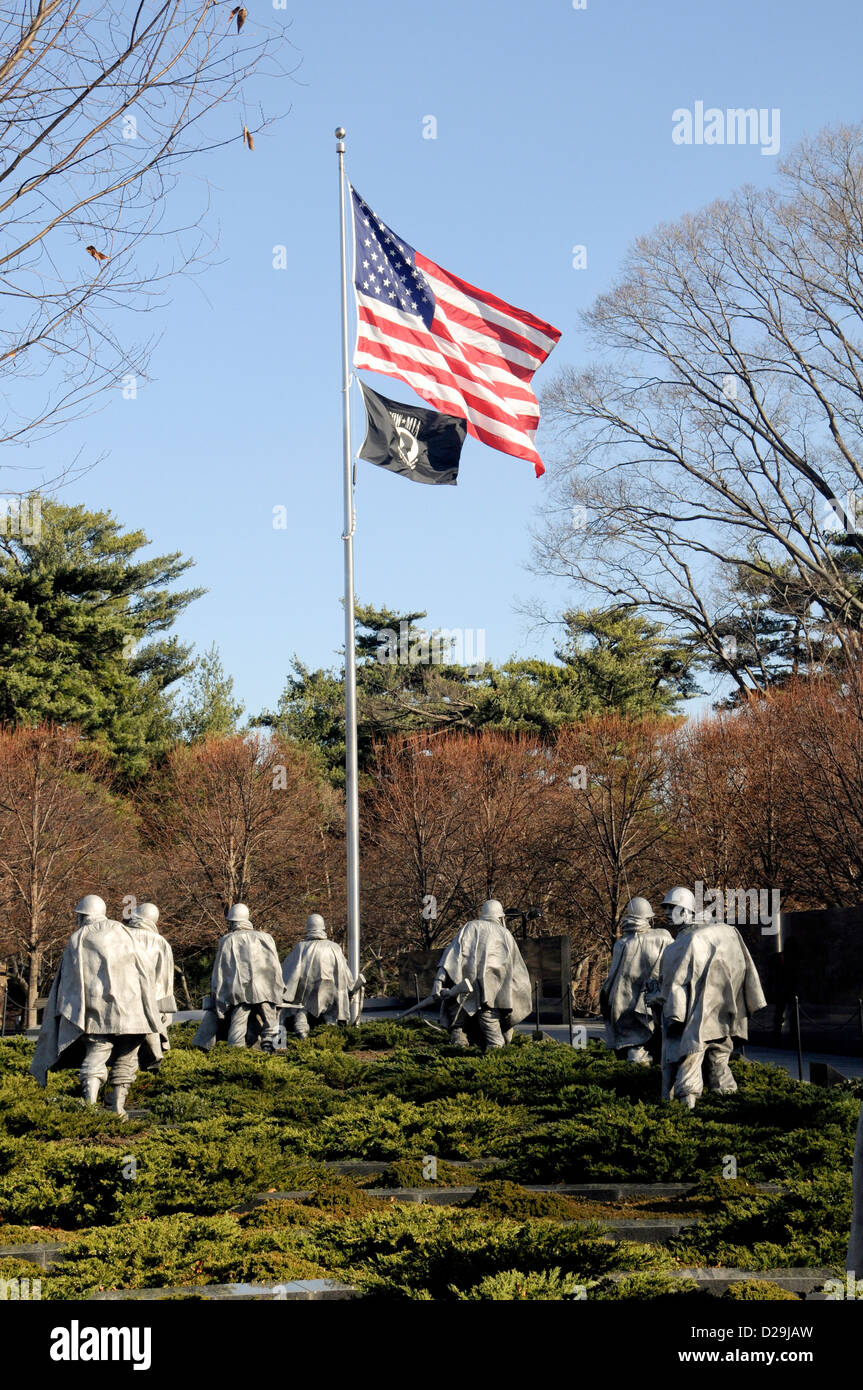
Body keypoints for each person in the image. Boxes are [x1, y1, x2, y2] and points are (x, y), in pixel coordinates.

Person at [31, 895, 174, 1116]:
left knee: (96, 1053)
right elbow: (146, 971)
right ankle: (117, 1107)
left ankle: (89, 1106)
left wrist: (65, 1010)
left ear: (85, 916)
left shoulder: (80, 937)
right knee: (127, 1058)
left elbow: (70, 980)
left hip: (98, 1012)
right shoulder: (126, 931)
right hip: (134, 1012)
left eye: (79, 916)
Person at [658, 899, 767, 1108]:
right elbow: (745, 969)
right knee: (719, 1063)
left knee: (689, 1064)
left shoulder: (681, 944)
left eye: (672, 908)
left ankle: (685, 1116)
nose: (668, 913)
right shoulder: (727, 932)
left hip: (696, 1021)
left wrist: (671, 1013)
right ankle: (730, 1110)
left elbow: (675, 987)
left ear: (686, 909)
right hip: (725, 1015)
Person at [431, 899, 531, 1050]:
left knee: (458, 1026)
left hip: (466, 993)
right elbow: (517, 970)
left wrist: (438, 981)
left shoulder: (469, 927)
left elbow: (450, 957)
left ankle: (461, 1053)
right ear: (500, 917)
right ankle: (490, 1053)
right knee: (488, 1025)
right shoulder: (505, 934)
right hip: (493, 994)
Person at [193, 903, 284, 1052]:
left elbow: (220, 971)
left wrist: (217, 993)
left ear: (233, 921)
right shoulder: (267, 938)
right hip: (266, 990)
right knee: (272, 1022)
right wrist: (279, 988)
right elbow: (275, 966)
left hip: (240, 991)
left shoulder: (228, 940)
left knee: (238, 1024)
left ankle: (236, 1054)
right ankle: (278, 1053)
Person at [599, 897, 671, 1064]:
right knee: (647, 1046)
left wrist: (605, 1002)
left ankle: (635, 1075)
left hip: (623, 1003)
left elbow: (611, 980)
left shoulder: (621, 944)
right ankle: (640, 1079)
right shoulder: (662, 937)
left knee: (634, 1043)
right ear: (648, 917)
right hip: (654, 1001)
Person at [281, 913, 359, 1038]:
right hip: (329, 992)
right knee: (330, 1011)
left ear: (308, 928)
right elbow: (345, 973)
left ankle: (301, 1032)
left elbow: (289, 971)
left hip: (305, 993)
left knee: (301, 1009)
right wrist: (351, 986)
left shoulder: (301, 947)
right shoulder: (335, 948)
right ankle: (330, 1034)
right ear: (323, 928)